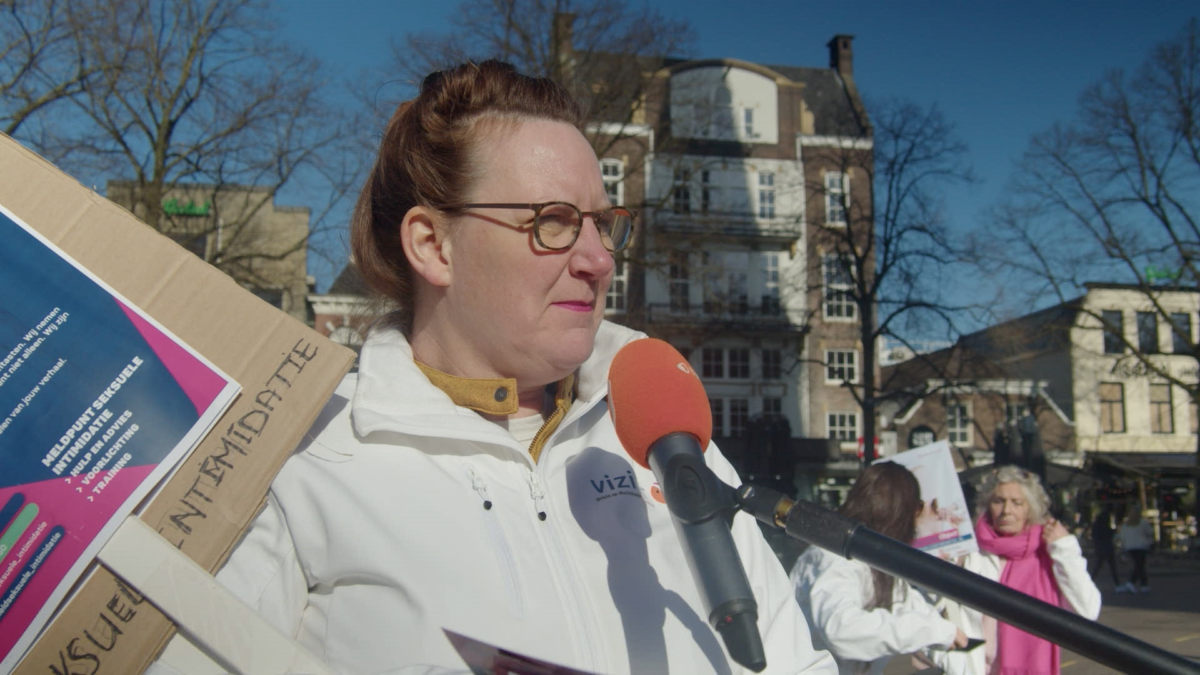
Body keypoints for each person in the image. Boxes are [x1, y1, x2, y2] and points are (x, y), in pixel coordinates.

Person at [149, 60, 835, 674]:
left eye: (603, 223)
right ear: (433, 244)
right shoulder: (311, 460)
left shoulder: (669, 439)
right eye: (554, 221)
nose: (598, 258)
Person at [789, 462, 968, 675]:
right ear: (898, 513)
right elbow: (843, 630)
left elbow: (913, 610)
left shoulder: (879, 563)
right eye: (916, 507)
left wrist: (944, 636)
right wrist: (934, 632)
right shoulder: (833, 557)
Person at [928, 465, 1101, 675]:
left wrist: (1065, 550)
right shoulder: (969, 551)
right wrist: (949, 662)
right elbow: (934, 608)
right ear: (986, 505)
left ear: (1031, 508)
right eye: (998, 501)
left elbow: (1087, 611)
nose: (1007, 510)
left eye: (1017, 503)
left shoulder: (1049, 551)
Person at [1116, 506, 1155, 593]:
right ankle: (1133, 582)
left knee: (1139, 565)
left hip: (1130, 547)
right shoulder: (1143, 522)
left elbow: (1122, 536)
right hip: (1142, 546)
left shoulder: (1126, 524)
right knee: (1140, 565)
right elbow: (1150, 532)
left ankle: (1144, 584)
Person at [1088, 505, 1119, 588]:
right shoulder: (1106, 524)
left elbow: (1093, 535)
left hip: (1099, 546)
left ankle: (1091, 580)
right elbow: (1109, 534)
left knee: (1098, 565)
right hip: (1107, 546)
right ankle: (1117, 583)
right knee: (1112, 566)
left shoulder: (1096, 525)